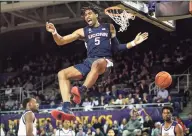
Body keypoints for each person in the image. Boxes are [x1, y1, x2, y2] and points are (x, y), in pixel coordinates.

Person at [46, 6, 148, 121]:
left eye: (89, 13)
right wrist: (54, 32)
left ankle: (81, 90)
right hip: (88, 62)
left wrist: (134, 42)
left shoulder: (109, 27)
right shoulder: (83, 31)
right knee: (62, 74)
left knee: (97, 63)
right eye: (85, 15)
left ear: (96, 15)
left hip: (105, 62)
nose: (87, 16)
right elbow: (61, 41)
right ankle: (66, 107)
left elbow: (117, 48)